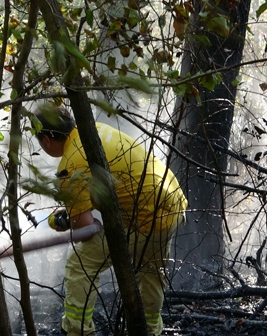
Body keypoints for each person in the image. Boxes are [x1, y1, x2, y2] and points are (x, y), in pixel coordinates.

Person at [33, 106, 187, 336]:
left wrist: (64, 222)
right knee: (150, 273)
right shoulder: (94, 130)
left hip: (146, 217)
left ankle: (77, 331)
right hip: (172, 202)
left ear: (46, 139)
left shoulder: (70, 166)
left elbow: (87, 229)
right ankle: (150, 330)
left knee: (80, 264)